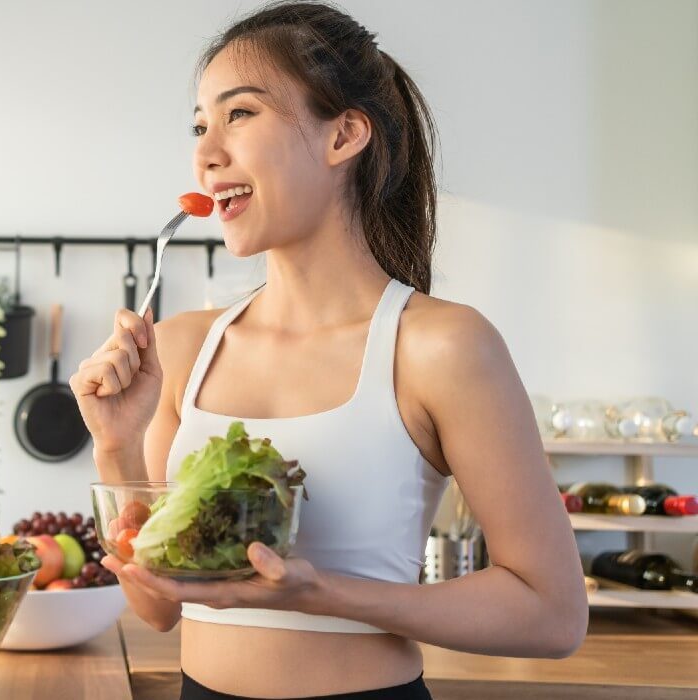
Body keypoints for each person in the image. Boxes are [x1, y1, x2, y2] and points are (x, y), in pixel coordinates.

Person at [69, 3, 588, 698]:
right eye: (200, 125)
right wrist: (116, 449)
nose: (206, 151)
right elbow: (159, 606)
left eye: (240, 114)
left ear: (344, 135)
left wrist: (322, 594)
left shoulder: (440, 345)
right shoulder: (184, 346)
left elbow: (551, 614)